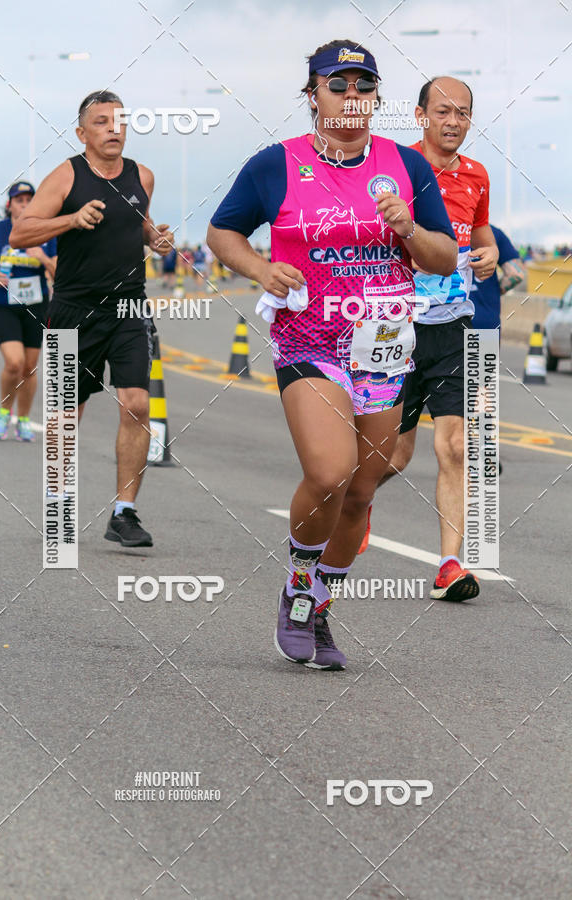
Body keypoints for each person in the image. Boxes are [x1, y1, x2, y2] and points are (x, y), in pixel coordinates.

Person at [208, 40, 457, 670]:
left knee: (361, 490)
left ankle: (319, 604)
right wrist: (260, 267)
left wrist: (408, 229)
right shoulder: (276, 164)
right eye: (338, 85)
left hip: (383, 344)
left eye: (363, 86)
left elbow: (444, 258)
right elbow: (222, 232)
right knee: (330, 471)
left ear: (375, 95)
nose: (352, 97)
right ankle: (296, 587)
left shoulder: (406, 165)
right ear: (313, 93)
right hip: (309, 340)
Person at [10, 90, 174, 547]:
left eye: (119, 121)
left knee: (137, 404)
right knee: (65, 415)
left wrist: (154, 237)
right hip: (71, 312)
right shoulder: (66, 176)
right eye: (101, 122)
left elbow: (138, 223)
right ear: (82, 133)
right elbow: (21, 233)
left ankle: (124, 513)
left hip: (128, 307)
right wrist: (70, 220)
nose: (113, 129)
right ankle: (58, 506)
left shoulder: (143, 175)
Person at [374, 76, 499, 602]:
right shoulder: (394, 167)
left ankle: (451, 564)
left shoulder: (477, 175)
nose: (454, 122)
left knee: (454, 445)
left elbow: (480, 231)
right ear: (421, 115)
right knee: (392, 456)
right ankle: (351, 507)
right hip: (394, 327)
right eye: (444, 111)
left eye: (463, 113)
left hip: (453, 329)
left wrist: (488, 253)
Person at [0, 182, 57, 441]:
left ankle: (23, 419)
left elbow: (58, 272)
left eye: (29, 200)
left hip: (36, 305)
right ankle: (4, 413)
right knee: (14, 363)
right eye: (19, 200)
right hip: (3, 304)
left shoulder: (46, 232)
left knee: (30, 368)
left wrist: (41, 257)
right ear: (9, 204)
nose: (24, 204)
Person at [471, 224, 524, 331]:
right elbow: (516, 274)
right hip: (485, 321)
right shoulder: (494, 233)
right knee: (483, 348)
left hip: (444, 320)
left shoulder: (444, 227)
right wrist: (494, 290)